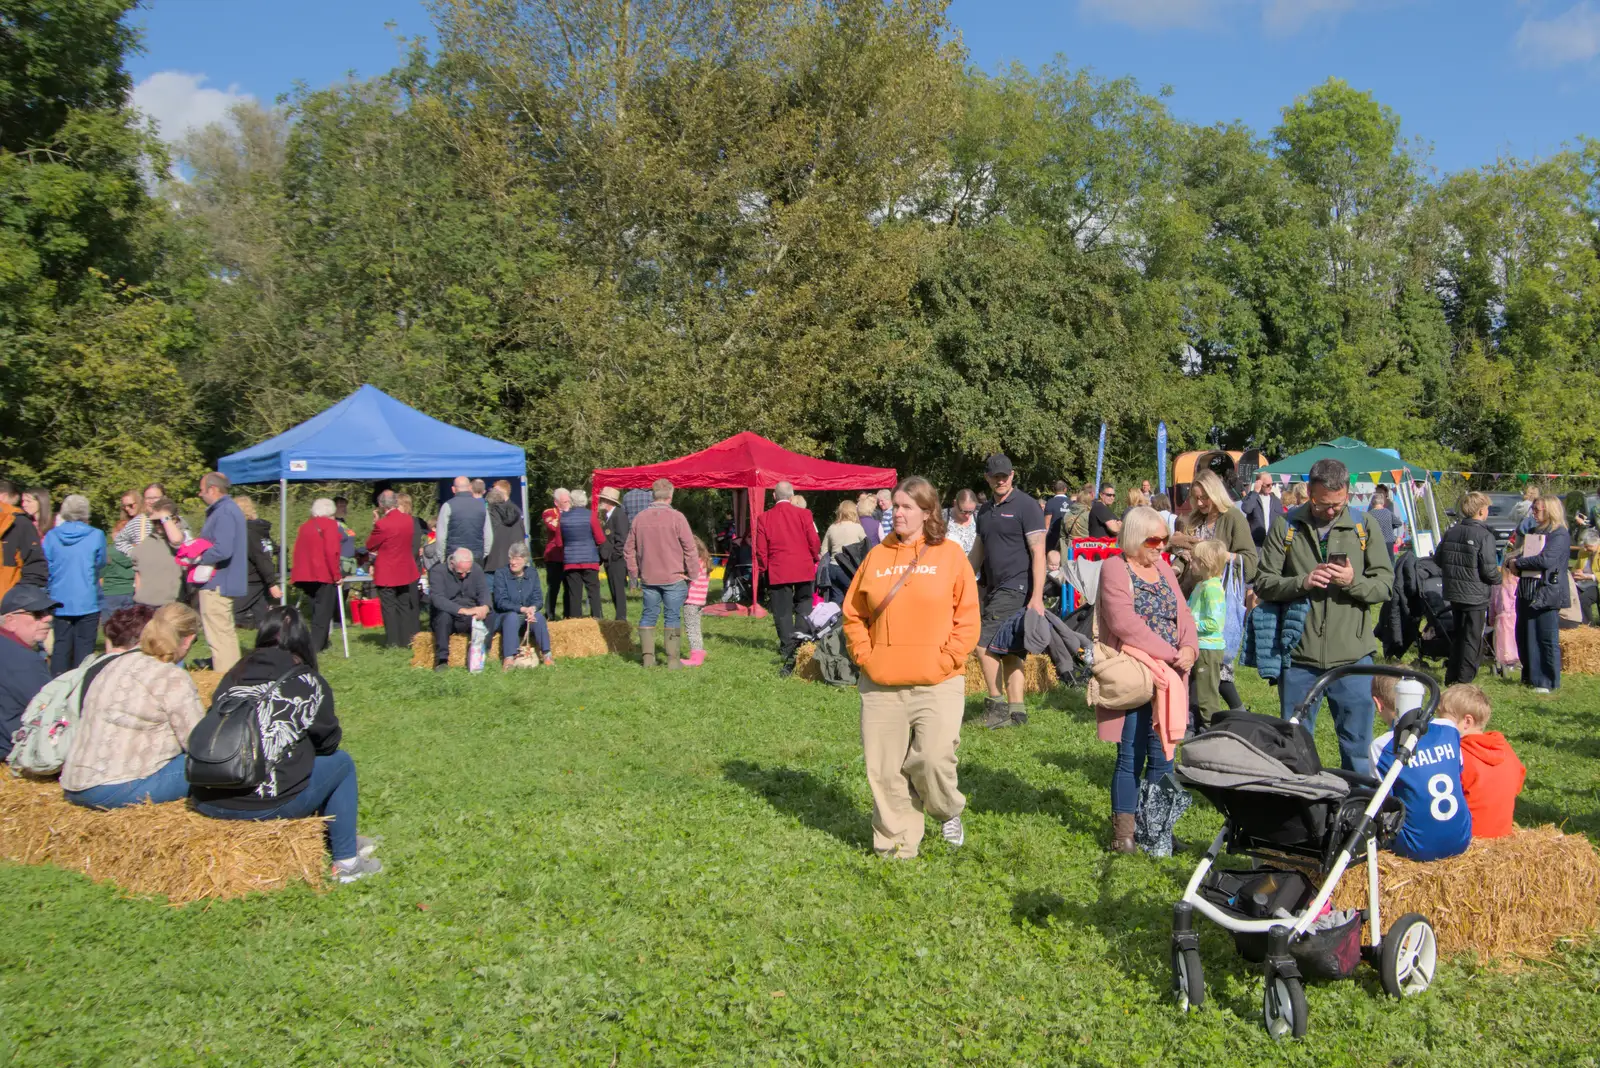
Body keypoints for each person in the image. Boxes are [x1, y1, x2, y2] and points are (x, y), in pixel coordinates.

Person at [190, 606, 381, 883]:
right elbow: (328, 742)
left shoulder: (234, 672)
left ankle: (341, 836)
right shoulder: (307, 680)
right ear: (303, 640)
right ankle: (347, 862)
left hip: (206, 797)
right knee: (341, 764)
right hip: (265, 804)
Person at [842, 476, 979, 859]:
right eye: (895, 506)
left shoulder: (950, 555)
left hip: (937, 680)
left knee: (933, 758)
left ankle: (946, 809)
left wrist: (948, 657)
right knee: (885, 771)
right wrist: (866, 655)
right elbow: (853, 613)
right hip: (882, 681)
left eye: (905, 507)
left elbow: (967, 616)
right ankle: (896, 846)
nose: (896, 512)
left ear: (927, 512)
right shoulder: (876, 556)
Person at [1255, 458, 1394, 776]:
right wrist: (1301, 582)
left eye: (1338, 504)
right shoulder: (1286, 526)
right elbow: (1263, 582)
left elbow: (1385, 585)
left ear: (1347, 493)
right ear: (1309, 492)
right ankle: (1299, 814)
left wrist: (1352, 582)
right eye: (1322, 504)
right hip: (1299, 660)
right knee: (1294, 747)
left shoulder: (1365, 526)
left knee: (1358, 749)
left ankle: (1355, 814)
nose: (1331, 511)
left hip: (1354, 660)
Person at [1094, 507, 1198, 853]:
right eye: (1154, 540)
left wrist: (1189, 648)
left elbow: (1183, 613)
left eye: (1164, 540)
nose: (1161, 547)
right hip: (1136, 673)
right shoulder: (1114, 567)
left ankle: (1158, 832)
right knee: (1131, 756)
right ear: (1136, 538)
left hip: (1169, 677)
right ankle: (1124, 834)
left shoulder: (1164, 568)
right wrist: (1169, 653)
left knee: (1164, 756)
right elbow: (1123, 623)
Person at [60, 603, 204, 808]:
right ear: (188, 639)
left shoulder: (114, 663)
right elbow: (198, 742)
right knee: (217, 766)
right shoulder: (170, 676)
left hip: (74, 784)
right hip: (115, 788)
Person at [972, 454, 1046, 729]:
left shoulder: (1026, 506)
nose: (1001, 480)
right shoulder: (984, 510)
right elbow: (978, 550)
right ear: (987, 478)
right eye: (995, 476)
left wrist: (1037, 596)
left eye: (1005, 475)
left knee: (982, 646)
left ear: (1013, 475)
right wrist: (964, 577)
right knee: (1010, 651)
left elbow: (1039, 553)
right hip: (993, 587)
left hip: (1016, 587)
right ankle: (1017, 712)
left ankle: (996, 705)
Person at [1374, 684, 1471, 863]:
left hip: (1415, 848)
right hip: (1462, 838)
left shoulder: (1381, 746)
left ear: (1378, 704)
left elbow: (1382, 804)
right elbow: (1458, 774)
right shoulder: (1449, 728)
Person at [623, 479, 698, 668]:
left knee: (648, 614)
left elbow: (628, 550)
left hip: (648, 576)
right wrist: (693, 574)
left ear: (653, 494)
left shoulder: (640, 518)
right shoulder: (677, 517)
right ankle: (673, 660)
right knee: (672, 616)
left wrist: (634, 574)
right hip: (674, 576)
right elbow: (690, 548)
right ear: (671, 495)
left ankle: (648, 658)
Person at [1437, 683, 1525, 840]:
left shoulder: (1456, 755)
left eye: (1444, 721)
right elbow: (1517, 785)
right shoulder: (1506, 750)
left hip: (1468, 838)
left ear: (1467, 722)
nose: (1440, 725)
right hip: (1502, 834)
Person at [756, 482, 821, 675]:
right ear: (792, 497)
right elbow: (814, 540)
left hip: (778, 568)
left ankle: (787, 645)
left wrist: (763, 568)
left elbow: (761, 548)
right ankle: (799, 641)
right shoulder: (804, 514)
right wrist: (814, 556)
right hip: (802, 566)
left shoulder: (764, 518)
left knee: (782, 610)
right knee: (804, 603)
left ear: (774, 497)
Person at [1437, 491, 1502, 684]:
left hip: (1455, 592)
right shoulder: (1484, 535)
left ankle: (1452, 677)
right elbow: (1489, 571)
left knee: (1458, 636)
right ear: (1481, 511)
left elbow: (1438, 559)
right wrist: (1502, 578)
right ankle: (1464, 681)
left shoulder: (1451, 531)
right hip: (1475, 596)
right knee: (1472, 640)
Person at [1511, 494, 1570, 693]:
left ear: (1550, 510)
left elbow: (1545, 560)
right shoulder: (1534, 531)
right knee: (1525, 636)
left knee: (1544, 637)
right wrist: (1514, 562)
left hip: (1547, 591)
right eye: (1533, 509)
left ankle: (1547, 681)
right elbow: (1523, 555)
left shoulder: (1559, 534)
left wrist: (1518, 563)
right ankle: (1530, 676)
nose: (1534, 513)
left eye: (1537, 509)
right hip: (1527, 590)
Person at [191, 472, 249, 674]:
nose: (200, 494)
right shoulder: (228, 509)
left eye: (202, 490)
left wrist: (198, 556)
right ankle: (231, 677)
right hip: (222, 580)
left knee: (219, 635)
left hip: (218, 582)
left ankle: (226, 679)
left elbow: (223, 549)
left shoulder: (224, 512)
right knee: (223, 632)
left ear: (213, 490)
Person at [42, 495, 106, 675]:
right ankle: (79, 688)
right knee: (84, 649)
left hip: (59, 597)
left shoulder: (51, 536)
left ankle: (56, 686)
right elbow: (100, 563)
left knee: (61, 647)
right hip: (87, 598)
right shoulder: (96, 535)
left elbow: (47, 563)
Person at [1168, 470, 1259, 586]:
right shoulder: (1194, 519)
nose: (1199, 503)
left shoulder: (1233, 518)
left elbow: (1251, 563)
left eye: (1204, 497)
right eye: (1196, 498)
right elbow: (1186, 556)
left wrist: (1220, 555)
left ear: (1215, 493)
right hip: (1192, 594)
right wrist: (1176, 568)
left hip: (1218, 595)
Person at [0, 585, 56, 762]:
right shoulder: (23, 660)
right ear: (10, 620)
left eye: (48, 611)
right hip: (13, 747)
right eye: (38, 614)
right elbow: (51, 709)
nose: (48, 618)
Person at [366, 490, 422, 649]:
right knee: (404, 605)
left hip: (388, 571)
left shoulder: (382, 524)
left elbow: (370, 545)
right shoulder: (409, 520)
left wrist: (375, 523)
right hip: (406, 569)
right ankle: (406, 640)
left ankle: (392, 641)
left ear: (381, 505)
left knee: (389, 607)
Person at [428, 548, 496, 672]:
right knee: (443, 616)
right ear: (452, 563)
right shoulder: (438, 571)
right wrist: (462, 610)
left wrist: (484, 607)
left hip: (470, 614)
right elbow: (437, 599)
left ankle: (483, 652)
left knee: (490, 614)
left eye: (467, 572)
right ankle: (442, 660)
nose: (464, 575)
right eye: (460, 573)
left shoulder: (476, 569)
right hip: (450, 614)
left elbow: (484, 592)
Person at [290, 499, 343, 654]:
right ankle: (316, 646)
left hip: (305, 574)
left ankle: (319, 642)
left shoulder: (305, 526)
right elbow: (331, 551)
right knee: (323, 612)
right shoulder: (330, 526)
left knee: (315, 608)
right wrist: (336, 575)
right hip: (322, 573)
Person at [1186, 539, 1230, 726]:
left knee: (1206, 695)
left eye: (1194, 560)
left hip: (1208, 649)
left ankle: (1212, 728)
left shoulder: (1212, 589)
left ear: (1204, 563)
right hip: (1198, 645)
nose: (1191, 563)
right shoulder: (1201, 585)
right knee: (1194, 690)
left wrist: (1189, 624)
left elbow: (1214, 623)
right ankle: (1196, 725)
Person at [492, 542, 554, 669]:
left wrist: (532, 609)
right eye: (511, 558)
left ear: (525, 560)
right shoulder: (501, 574)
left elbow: (538, 599)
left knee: (539, 618)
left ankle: (547, 655)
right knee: (512, 617)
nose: (513, 562)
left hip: (527, 614)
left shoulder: (532, 573)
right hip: (506, 615)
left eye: (517, 559)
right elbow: (500, 601)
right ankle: (509, 658)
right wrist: (522, 609)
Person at [553, 488, 606, 619]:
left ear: (571, 501)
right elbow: (600, 538)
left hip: (571, 561)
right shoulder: (591, 515)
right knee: (593, 591)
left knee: (574, 594)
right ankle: (597, 618)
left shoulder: (563, 518)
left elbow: (559, 543)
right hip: (590, 559)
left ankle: (575, 621)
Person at [231, 496, 281, 629]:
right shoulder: (259, 531)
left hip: (251, 579)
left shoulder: (248, 532)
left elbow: (260, 557)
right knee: (262, 618)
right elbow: (271, 549)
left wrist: (272, 583)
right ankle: (270, 643)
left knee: (231, 613)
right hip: (257, 578)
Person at [0, 480, 48, 602]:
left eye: (28, 501)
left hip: (8, 605)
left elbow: (35, 566)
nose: (24, 504)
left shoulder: (19, 524)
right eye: (23, 501)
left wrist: (20, 600)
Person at [133, 499, 185, 608]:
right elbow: (138, 571)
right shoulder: (147, 541)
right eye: (154, 521)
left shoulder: (182, 537)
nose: (157, 525)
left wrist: (165, 517)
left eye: (160, 521)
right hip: (144, 605)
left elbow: (176, 540)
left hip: (170, 605)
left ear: (174, 519)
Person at [437, 476, 492, 565]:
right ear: (470, 487)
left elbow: (441, 537)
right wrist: (483, 554)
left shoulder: (447, 506)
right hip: (476, 556)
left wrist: (442, 558)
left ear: (453, 489)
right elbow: (488, 535)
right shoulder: (482, 506)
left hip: (453, 556)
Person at [596, 487, 631, 621]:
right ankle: (619, 617)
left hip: (616, 560)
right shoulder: (609, 515)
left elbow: (622, 538)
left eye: (602, 499)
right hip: (610, 559)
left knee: (618, 590)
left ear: (608, 501)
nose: (600, 501)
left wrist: (614, 556)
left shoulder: (619, 515)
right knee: (613, 589)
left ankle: (621, 617)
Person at [682, 537, 712, 667]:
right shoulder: (704, 561)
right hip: (700, 600)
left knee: (691, 628)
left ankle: (696, 657)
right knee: (696, 627)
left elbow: (691, 578)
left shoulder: (694, 563)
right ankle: (699, 650)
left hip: (691, 600)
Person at [484, 483, 526, 574]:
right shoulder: (517, 511)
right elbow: (521, 536)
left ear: (502, 492)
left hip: (493, 562)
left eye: (494, 490)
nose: (491, 492)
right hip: (513, 562)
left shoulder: (491, 512)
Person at [542, 488, 570, 618]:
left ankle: (568, 614)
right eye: (564, 502)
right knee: (553, 587)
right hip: (554, 556)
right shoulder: (549, 513)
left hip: (569, 556)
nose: (567, 504)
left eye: (569, 501)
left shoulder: (571, 512)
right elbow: (553, 526)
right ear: (556, 502)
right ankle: (549, 613)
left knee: (569, 587)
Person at [1240, 470, 1285, 548]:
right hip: (1256, 543)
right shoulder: (1252, 497)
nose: (1271, 487)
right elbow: (1246, 509)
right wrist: (1255, 492)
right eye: (1268, 485)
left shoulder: (1276, 500)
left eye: (1272, 484)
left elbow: (1282, 520)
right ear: (1259, 484)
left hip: (1272, 542)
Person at [943, 490, 979, 557]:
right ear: (955, 503)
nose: (967, 516)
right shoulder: (942, 517)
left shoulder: (978, 517)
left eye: (970, 512)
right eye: (963, 512)